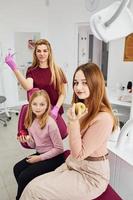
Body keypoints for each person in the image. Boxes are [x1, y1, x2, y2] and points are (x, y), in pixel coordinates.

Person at [20, 63, 118, 200]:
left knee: (33, 190)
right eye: (76, 82)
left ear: (96, 83)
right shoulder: (83, 108)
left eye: (84, 83)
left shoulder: (104, 118)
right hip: (74, 164)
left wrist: (73, 122)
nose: (78, 87)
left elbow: (78, 153)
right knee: (34, 183)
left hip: (90, 176)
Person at [14, 89, 65, 200]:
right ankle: (26, 193)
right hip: (40, 153)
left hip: (55, 157)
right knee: (16, 168)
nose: (38, 107)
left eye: (42, 104)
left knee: (24, 176)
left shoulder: (50, 123)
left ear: (47, 106)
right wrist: (28, 139)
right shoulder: (31, 121)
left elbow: (60, 149)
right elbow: (34, 146)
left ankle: (20, 197)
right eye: (35, 104)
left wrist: (39, 158)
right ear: (30, 105)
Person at [5, 39, 67, 119]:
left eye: (45, 51)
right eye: (39, 51)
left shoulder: (57, 70)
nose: (42, 54)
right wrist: (14, 68)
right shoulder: (31, 70)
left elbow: (63, 93)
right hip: (39, 112)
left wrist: (56, 109)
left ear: (49, 53)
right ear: (35, 53)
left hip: (54, 111)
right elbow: (28, 87)